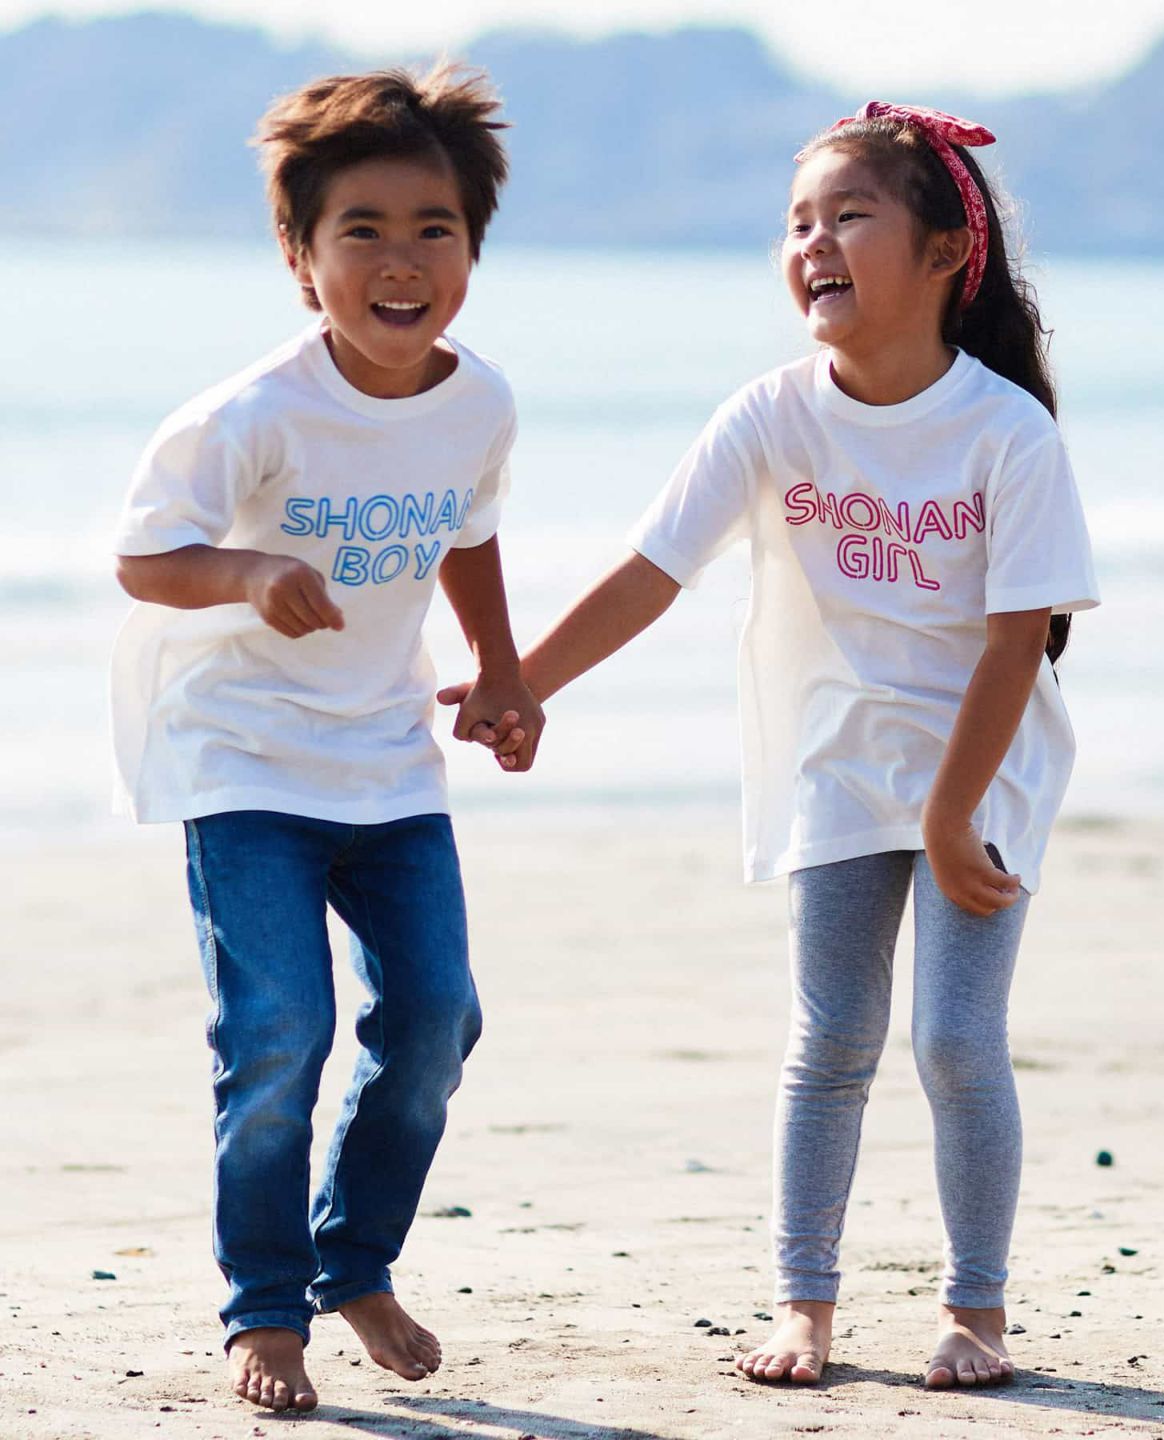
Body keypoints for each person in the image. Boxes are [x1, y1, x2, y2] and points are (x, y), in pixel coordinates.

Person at [441, 101, 1099, 1389]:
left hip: (985, 768)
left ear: (945, 253)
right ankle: (805, 1304)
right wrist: (523, 684)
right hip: (837, 761)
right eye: (798, 223)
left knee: (956, 1040)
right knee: (831, 1040)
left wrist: (951, 816)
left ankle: (976, 1310)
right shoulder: (770, 415)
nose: (814, 243)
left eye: (850, 215)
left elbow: (1016, 645)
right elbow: (651, 572)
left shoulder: (1007, 433)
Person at [110, 65, 542, 1415]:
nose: (401, 260)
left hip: (386, 761)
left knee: (435, 1018)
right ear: (301, 256)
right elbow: (143, 558)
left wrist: (502, 669)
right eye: (363, 230)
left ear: (472, 250)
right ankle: (264, 1307)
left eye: (433, 229)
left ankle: (354, 1262)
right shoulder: (250, 414)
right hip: (242, 760)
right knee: (279, 1029)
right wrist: (248, 573)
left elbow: (468, 529)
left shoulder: (481, 402)